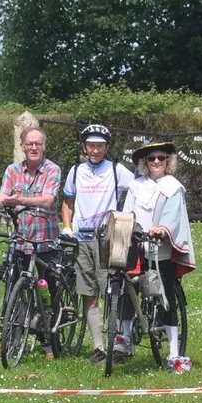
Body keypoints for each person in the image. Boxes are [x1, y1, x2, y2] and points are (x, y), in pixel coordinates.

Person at [0, 125, 63, 357]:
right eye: (29, 144)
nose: (34, 147)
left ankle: (50, 343)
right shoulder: (12, 170)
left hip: (45, 241)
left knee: (47, 296)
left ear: (44, 146)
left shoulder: (53, 169)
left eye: (38, 143)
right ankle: (11, 341)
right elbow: (4, 196)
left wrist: (20, 200)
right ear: (22, 146)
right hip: (20, 239)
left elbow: (48, 200)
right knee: (15, 292)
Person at [60, 123, 135, 364]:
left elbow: (138, 189)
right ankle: (98, 347)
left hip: (108, 239)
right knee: (88, 293)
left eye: (100, 146)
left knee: (112, 292)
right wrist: (67, 226)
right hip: (83, 239)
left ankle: (119, 344)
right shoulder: (75, 171)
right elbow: (68, 202)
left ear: (107, 148)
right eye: (91, 145)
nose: (95, 150)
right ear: (84, 147)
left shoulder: (116, 170)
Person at [120, 142, 196, 371]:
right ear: (144, 163)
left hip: (160, 247)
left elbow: (173, 216)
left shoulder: (173, 186)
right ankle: (123, 337)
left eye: (161, 158)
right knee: (125, 287)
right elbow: (127, 212)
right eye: (151, 159)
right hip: (137, 244)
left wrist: (162, 228)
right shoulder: (135, 186)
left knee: (165, 295)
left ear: (167, 161)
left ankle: (173, 351)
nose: (156, 162)